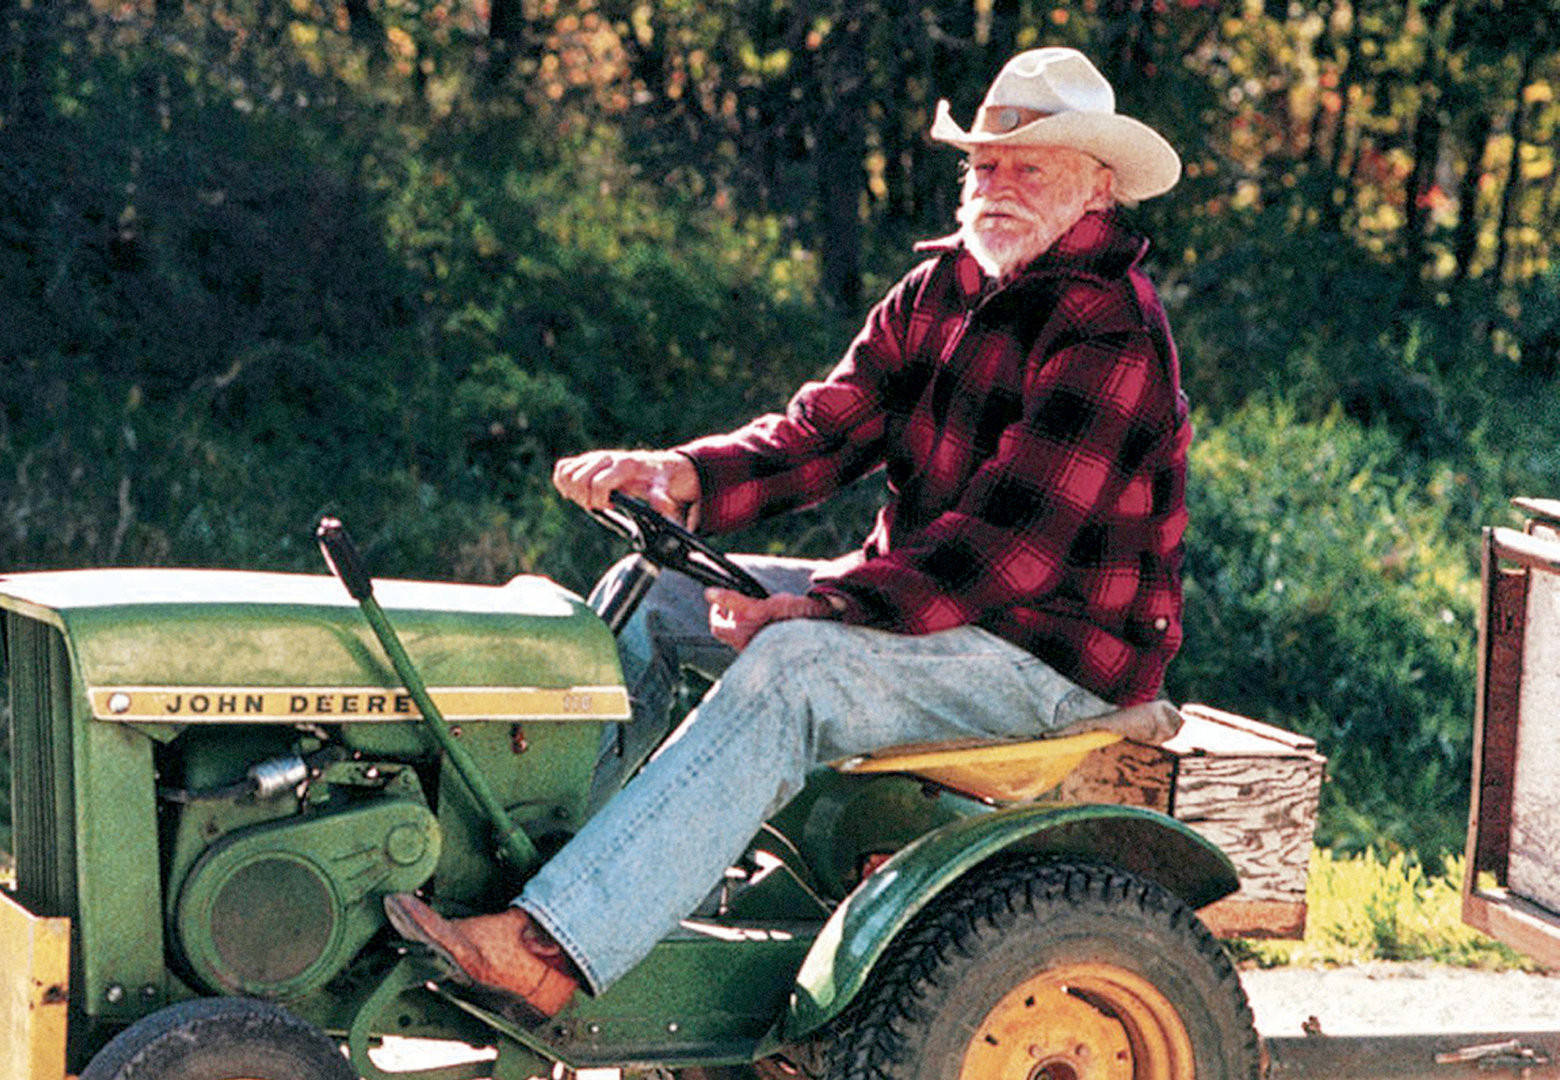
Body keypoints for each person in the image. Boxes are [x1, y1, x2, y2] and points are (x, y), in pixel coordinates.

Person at [384, 46, 1190, 1025]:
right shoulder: (940, 290)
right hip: (933, 615)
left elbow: (1003, 552)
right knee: (643, 598)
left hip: (1048, 655)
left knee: (798, 668)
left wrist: (821, 610)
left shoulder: (1111, 330)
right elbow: (821, 432)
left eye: (1031, 168)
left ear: (1098, 190)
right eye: (983, 165)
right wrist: (680, 474)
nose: (998, 187)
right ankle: (525, 880)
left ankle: (554, 950)